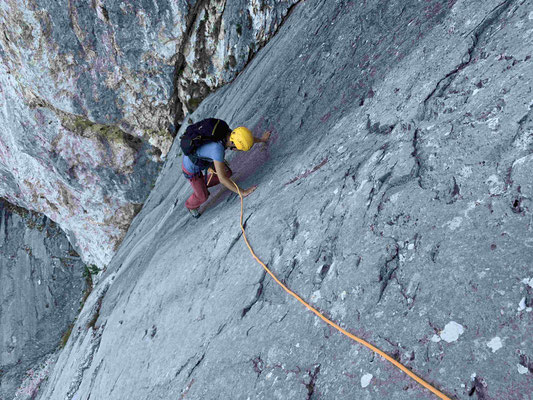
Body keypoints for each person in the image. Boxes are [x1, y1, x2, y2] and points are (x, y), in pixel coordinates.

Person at [181, 118, 271, 218]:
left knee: (227, 173)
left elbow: (244, 138)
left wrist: (261, 140)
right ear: (234, 144)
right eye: (239, 149)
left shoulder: (228, 133)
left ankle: (201, 186)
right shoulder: (218, 150)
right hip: (190, 169)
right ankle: (190, 205)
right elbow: (222, 180)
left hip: (203, 158)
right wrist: (243, 192)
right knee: (203, 196)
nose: (239, 150)